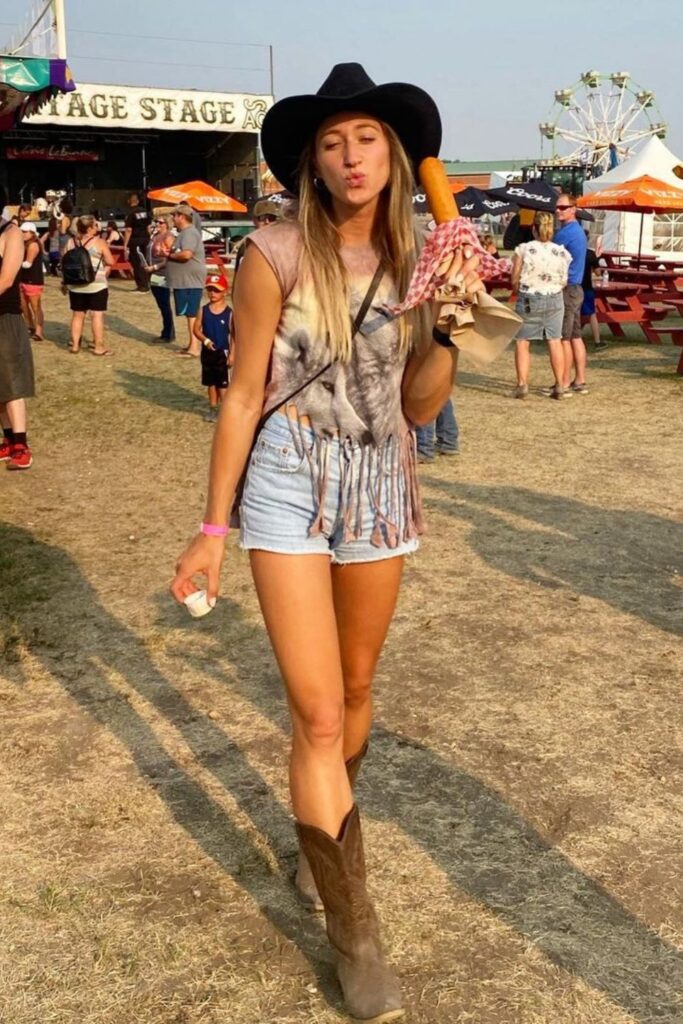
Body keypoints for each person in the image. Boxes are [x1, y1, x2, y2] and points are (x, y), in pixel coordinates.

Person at [170, 62, 486, 1023]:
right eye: (333, 142)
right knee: (313, 714)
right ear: (312, 160)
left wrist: (453, 326)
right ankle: (358, 938)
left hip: (381, 483)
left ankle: (325, 837)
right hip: (288, 479)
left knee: (353, 694)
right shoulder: (272, 253)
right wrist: (211, 527)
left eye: (368, 140)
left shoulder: (427, 257)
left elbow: (422, 406)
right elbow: (241, 395)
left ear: (394, 154)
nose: (353, 157)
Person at [510, 211, 571, 399]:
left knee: (522, 341)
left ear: (534, 229)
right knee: (555, 340)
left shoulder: (524, 249)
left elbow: (515, 278)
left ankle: (522, 384)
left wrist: (516, 288)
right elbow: (564, 280)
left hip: (530, 296)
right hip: (554, 297)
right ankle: (560, 384)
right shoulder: (561, 251)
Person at [0, 218, 34, 470]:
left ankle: (21, 444)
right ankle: (8, 439)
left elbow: (6, 279)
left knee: (12, 381)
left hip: (5, 316)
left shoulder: (11, 233)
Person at [551, 193, 588, 396]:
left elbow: (549, 252)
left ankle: (563, 381)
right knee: (575, 336)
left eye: (563, 207)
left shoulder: (566, 233)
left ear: (573, 209)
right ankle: (580, 379)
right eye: (557, 207)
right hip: (577, 288)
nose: (558, 210)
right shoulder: (578, 231)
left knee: (563, 337)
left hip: (567, 288)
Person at [62, 215, 115, 355]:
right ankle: (98, 346)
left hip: (75, 284)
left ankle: (74, 345)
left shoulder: (70, 242)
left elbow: (64, 263)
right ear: (90, 228)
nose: (97, 227)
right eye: (95, 225)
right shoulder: (99, 242)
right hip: (96, 284)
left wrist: (64, 283)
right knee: (96, 315)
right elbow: (110, 261)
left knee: (77, 315)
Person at [162, 204, 206, 357]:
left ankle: (195, 348)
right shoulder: (185, 233)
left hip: (190, 281)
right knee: (189, 313)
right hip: (185, 281)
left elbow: (186, 254)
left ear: (181, 216)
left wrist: (170, 256)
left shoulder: (189, 233)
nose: (172, 219)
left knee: (192, 314)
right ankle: (191, 344)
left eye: (174, 216)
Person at [193, 272, 232, 421]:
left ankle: (225, 411)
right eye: (210, 289)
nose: (212, 293)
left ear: (224, 292)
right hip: (208, 354)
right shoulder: (203, 310)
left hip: (223, 353)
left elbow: (234, 336)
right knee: (211, 383)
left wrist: (232, 354)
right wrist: (206, 341)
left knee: (223, 385)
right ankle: (213, 408)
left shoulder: (229, 314)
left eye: (216, 290)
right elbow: (196, 329)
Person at [233, 196, 283, 275]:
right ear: (254, 220)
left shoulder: (284, 245)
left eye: (271, 218)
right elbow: (238, 276)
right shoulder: (247, 245)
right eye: (262, 218)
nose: (267, 222)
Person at [145, 213, 176, 342]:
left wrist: (155, 267)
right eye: (156, 222)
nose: (157, 224)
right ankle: (166, 331)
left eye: (160, 222)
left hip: (162, 273)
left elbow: (171, 258)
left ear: (167, 224)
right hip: (153, 273)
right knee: (160, 303)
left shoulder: (168, 237)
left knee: (164, 303)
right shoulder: (155, 236)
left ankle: (168, 333)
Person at [19, 222, 45, 341]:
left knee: (36, 307)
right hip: (23, 279)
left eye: (25, 232)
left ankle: (38, 331)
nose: (23, 234)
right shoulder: (24, 244)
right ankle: (30, 326)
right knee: (23, 305)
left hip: (33, 280)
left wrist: (12, 263)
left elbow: (28, 264)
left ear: (32, 233)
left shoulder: (33, 245)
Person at [581, 232, 606, 350]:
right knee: (592, 314)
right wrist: (598, 257)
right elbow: (598, 273)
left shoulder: (570, 252)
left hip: (573, 287)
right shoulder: (590, 254)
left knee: (571, 313)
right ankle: (597, 341)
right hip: (586, 287)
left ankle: (569, 338)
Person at [123, 192, 151, 293]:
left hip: (135, 240)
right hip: (146, 240)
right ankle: (147, 283)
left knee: (137, 263)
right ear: (138, 201)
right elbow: (149, 227)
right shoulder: (146, 212)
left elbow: (128, 230)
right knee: (146, 261)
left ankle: (142, 286)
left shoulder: (130, 213)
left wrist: (125, 244)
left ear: (129, 201)